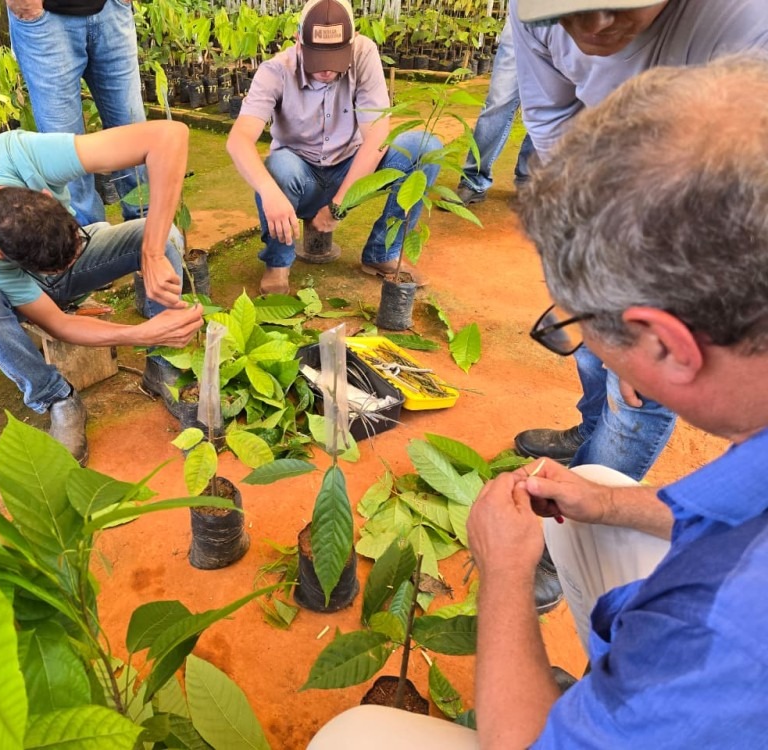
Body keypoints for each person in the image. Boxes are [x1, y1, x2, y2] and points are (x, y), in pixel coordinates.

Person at [310, 54, 768, 749]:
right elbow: (735, 513)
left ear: (670, 346)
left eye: (576, 326)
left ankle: (609, 715)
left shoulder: (721, 630)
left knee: (354, 737)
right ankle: (612, 699)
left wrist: (504, 572)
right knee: (601, 482)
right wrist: (606, 503)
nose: (579, 342)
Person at [510, 0, 768, 476]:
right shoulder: (529, 12)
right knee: (596, 343)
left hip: (707, 209)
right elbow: (550, 120)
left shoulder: (749, 20)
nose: (594, 25)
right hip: (614, 191)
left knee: (638, 392)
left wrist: (636, 348)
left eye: (616, 5)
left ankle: (595, 493)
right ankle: (592, 430)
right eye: (568, 11)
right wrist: (582, 245)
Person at [0, 122, 204, 465]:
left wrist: (151, 251)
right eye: (58, 268)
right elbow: (57, 324)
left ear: (46, 196)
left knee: (166, 238)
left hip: (36, 259)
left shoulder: (23, 155)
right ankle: (57, 398)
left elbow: (170, 135)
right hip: (9, 289)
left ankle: (163, 365)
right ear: (0, 253)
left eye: (76, 244)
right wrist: (138, 333)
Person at [226, 0, 440, 296]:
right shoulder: (275, 70)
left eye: (336, 58)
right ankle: (278, 262)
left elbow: (377, 135)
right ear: (298, 41)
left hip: (352, 167)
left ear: (352, 42)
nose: (326, 70)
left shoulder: (364, 53)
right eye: (317, 58)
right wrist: (269, 192)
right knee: (277, 169)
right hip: (299, 175)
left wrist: (339, 206)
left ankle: (382, 252)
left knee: (425, 149)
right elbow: (238, 140)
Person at [5, 0, 148, 226]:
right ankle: (88, 239)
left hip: (112, 9)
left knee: (134, 134)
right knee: (63, 150)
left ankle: (149, 234)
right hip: (45, 19)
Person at [454, 17, 537, 207]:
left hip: (568, 21)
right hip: (523, 18)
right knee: (498, 100)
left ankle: (529, 179)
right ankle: (474, 179)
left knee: (546, 106)